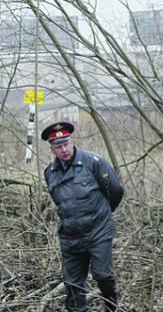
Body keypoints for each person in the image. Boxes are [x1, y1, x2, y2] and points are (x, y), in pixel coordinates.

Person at [41, 121, 124, 312]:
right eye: (58, 147)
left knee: (103, 275)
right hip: (70, 236)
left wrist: (101, 215)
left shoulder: (94, 162)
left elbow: (115, 191)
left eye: (66, 144)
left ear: (72, 142)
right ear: (52, 149)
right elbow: (60, 202)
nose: (64, 150)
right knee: (72, 284)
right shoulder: (50, 172)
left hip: (98, 231)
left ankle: (111, 307)